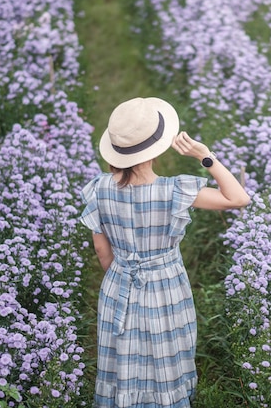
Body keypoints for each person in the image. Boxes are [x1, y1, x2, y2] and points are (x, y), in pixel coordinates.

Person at [79, 97, 250, 407]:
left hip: (118, 284)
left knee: (123, 354)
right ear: (155, 148)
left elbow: (102, 251)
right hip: (165, 286)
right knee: (164, 352)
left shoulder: (99, 188)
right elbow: (238, 198)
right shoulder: (174, 190)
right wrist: (205, 156)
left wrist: (123, 277)